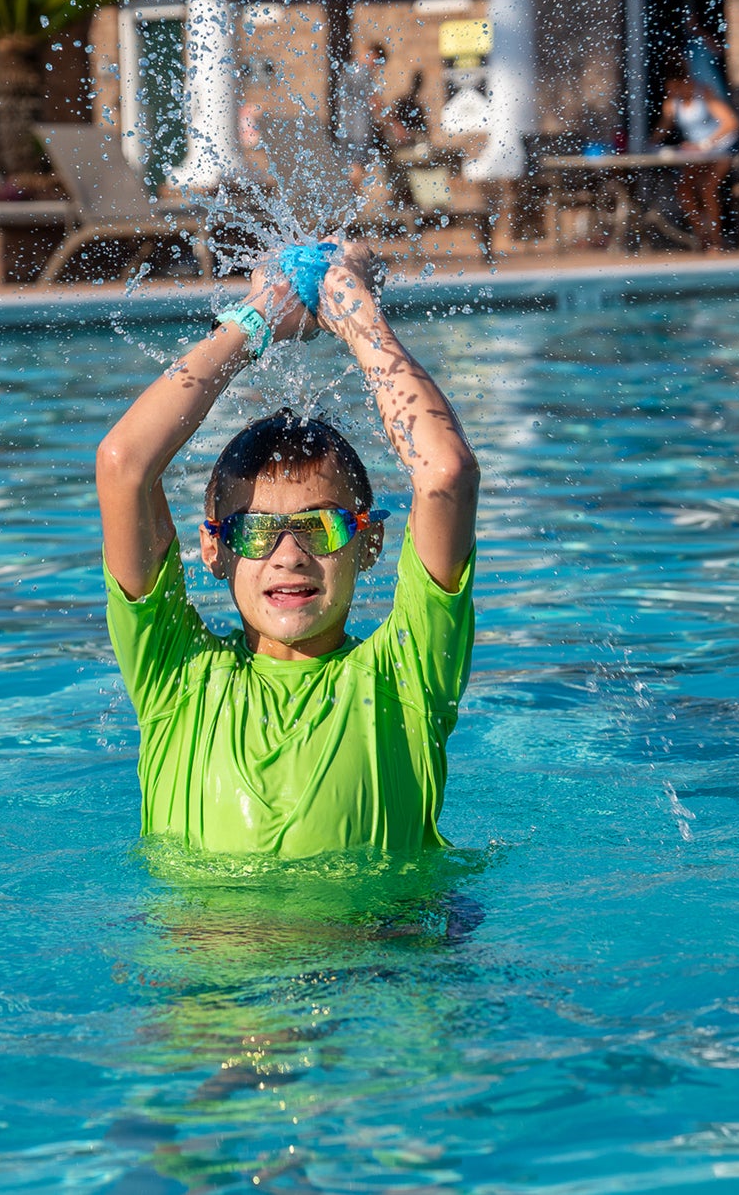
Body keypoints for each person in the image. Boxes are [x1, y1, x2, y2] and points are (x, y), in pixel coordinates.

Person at [95, 244, 479, 859]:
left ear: (368, 541)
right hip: (201, 955)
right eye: (253, 530)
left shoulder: (404, 679)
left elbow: (445, 474)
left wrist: (357, 314)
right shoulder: (177, 679)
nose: (288, 555)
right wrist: (257, 316)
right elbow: (123, 465)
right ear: (214, 549)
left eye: (321, 527)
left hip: (376, 957)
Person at [655, 54, 739, 255]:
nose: (674, 92)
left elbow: (731, 123)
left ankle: (715, 239)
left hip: (720, 148)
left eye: (677, 88)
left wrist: (706, 143)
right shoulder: (672, 103)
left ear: (685, 81)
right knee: (684, 190)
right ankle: (702, 234)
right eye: (671, 90)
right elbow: (663, 130)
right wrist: (646, 144)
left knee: (707, 188)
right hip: (696, 153)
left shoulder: (705, 95)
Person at [337, 42, 390, 192]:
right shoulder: (363, 73)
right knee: (357, 168)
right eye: (377, 63)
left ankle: (346, 203)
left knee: (348, 168)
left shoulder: (347, 70)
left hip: (345, 129)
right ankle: (352, 204)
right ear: (373, 55)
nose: (376, 67)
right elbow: (374, 101)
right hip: (360, 131)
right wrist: (393, 123)